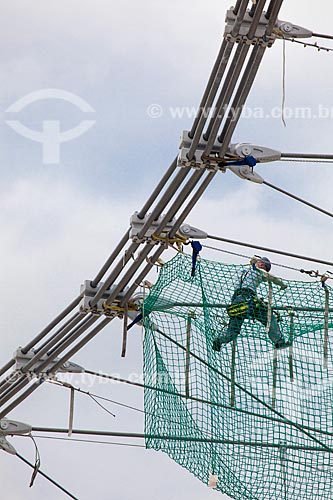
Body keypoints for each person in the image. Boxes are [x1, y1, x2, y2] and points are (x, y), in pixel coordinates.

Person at [213, 256, 291, 351]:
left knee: (233, 331)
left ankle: (219, 340)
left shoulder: (243, 271)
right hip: (248, 299)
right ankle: (279, 342)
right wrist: (282, 285)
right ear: (262, 265)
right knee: (269, 317)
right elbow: (273, 278)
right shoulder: (258, 270)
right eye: (265, 268)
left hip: (236, 302)